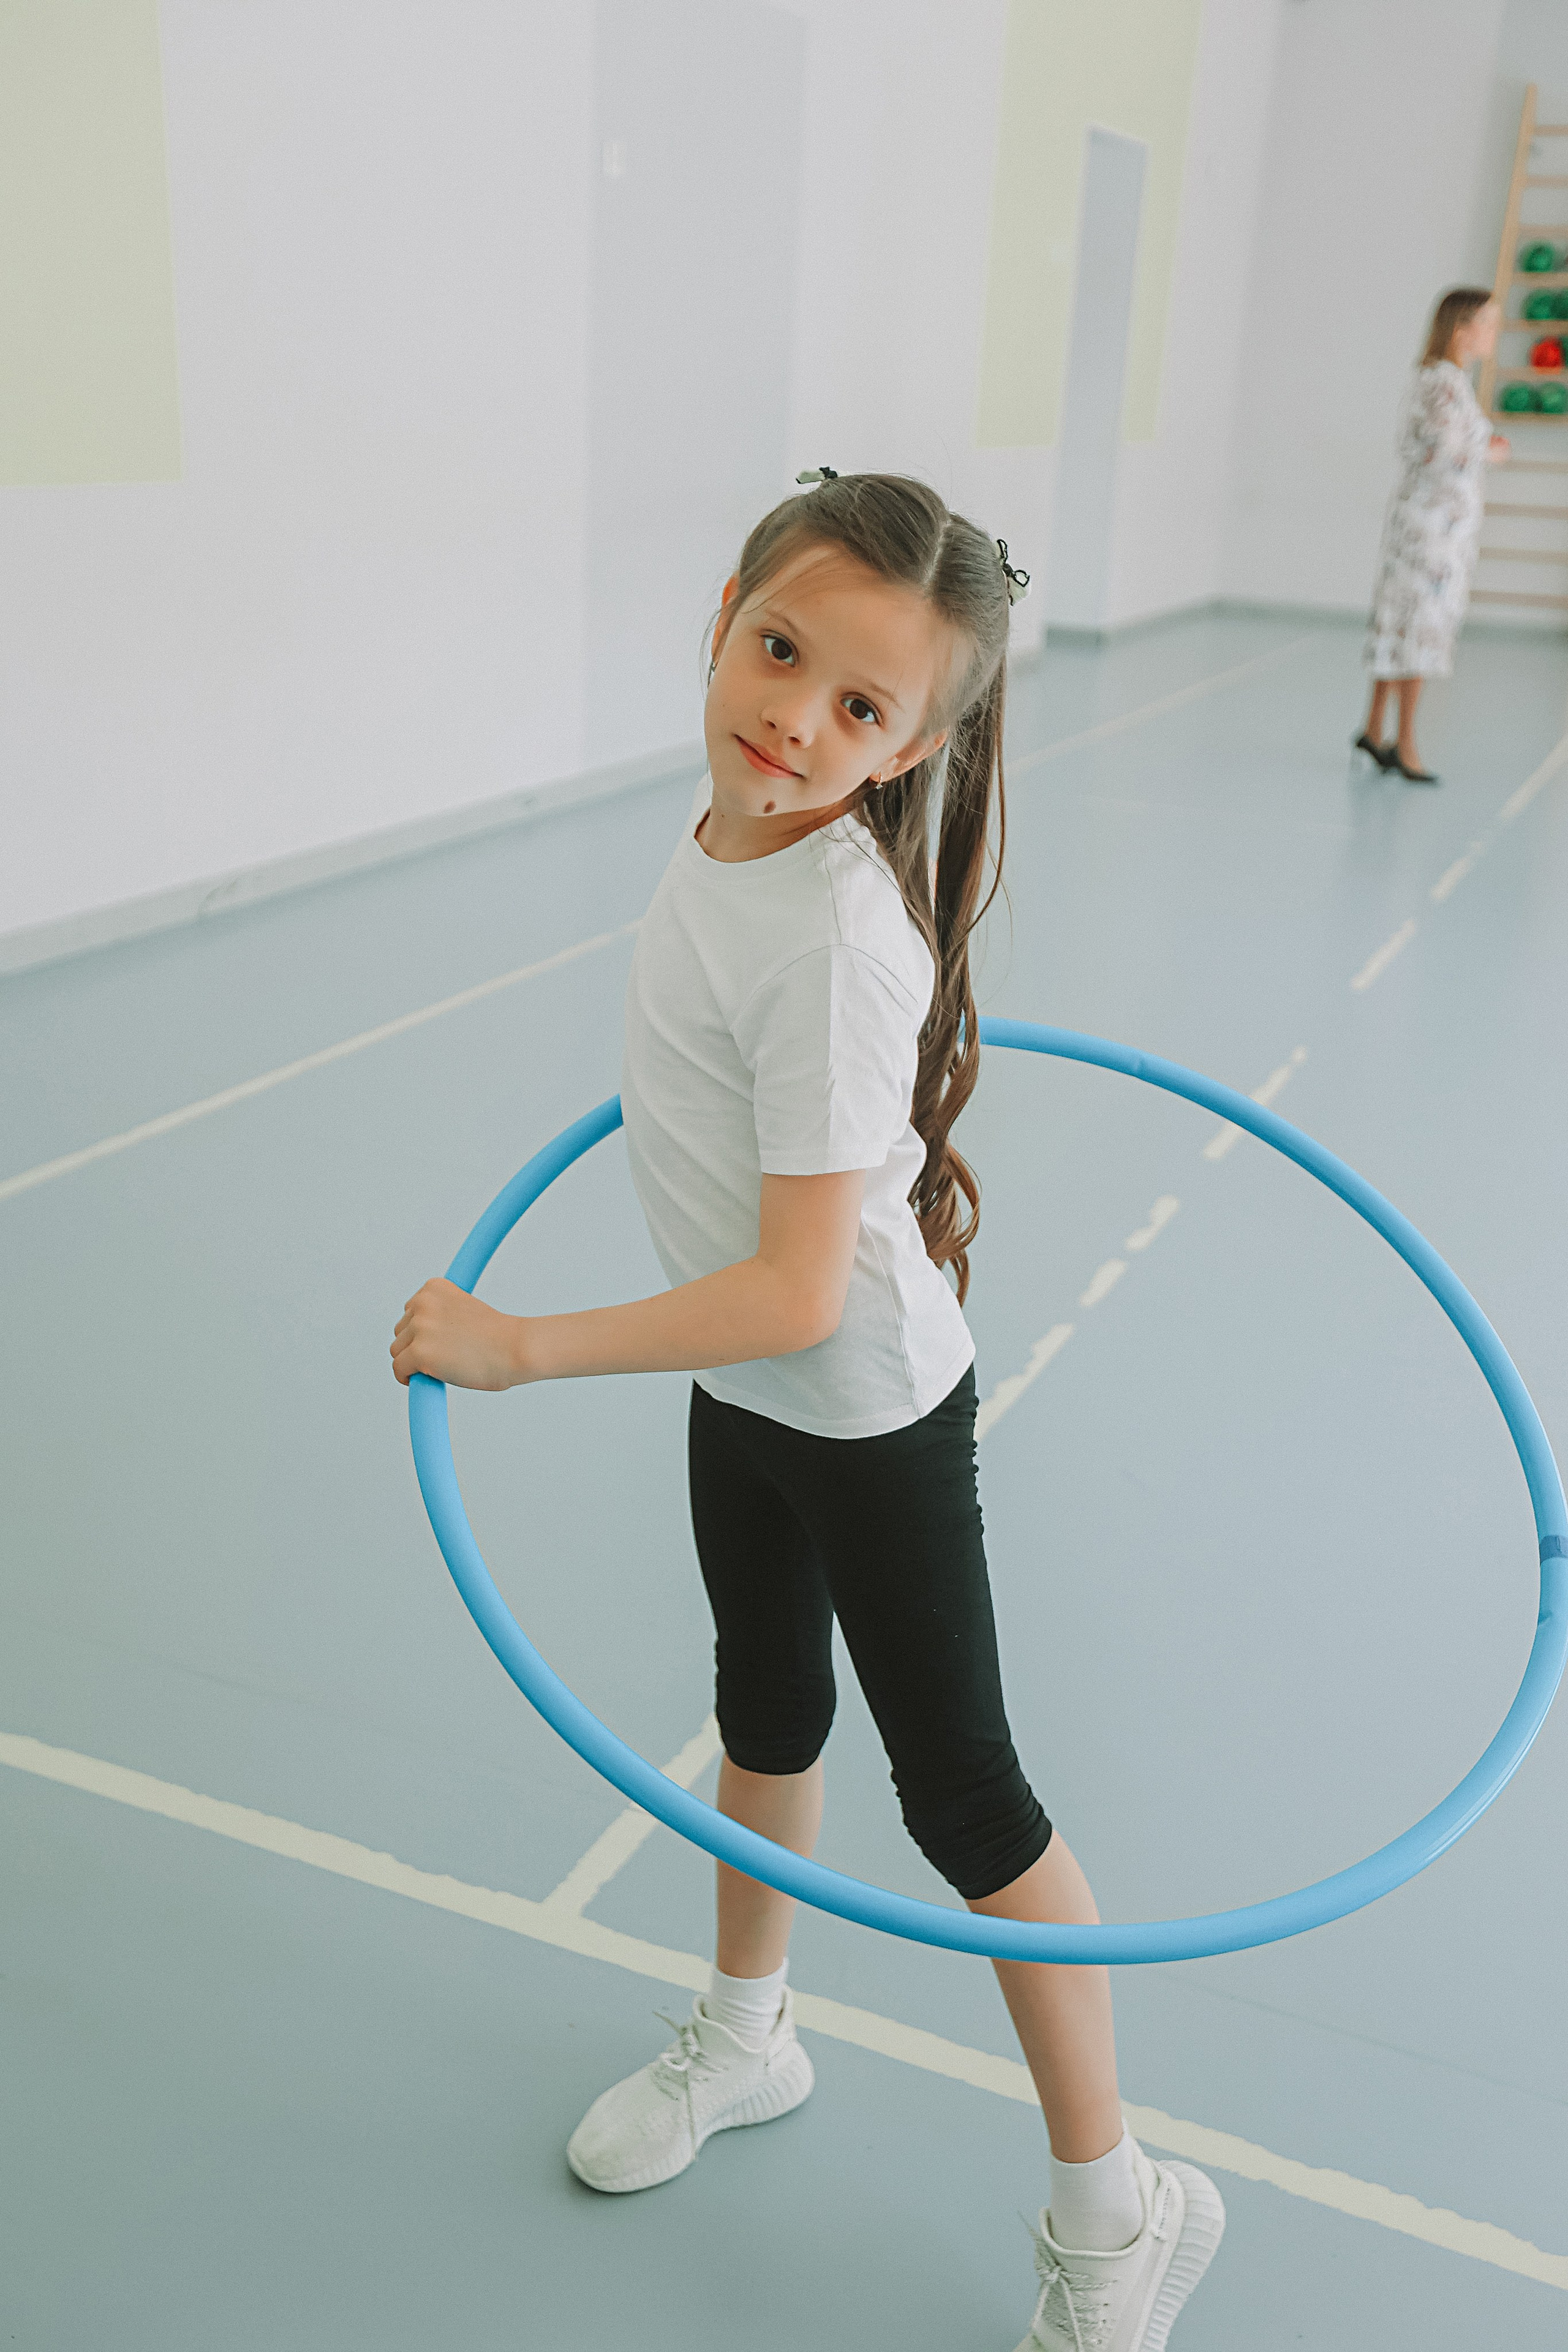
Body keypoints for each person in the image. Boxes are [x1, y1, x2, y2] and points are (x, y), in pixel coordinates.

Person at [391, 472, 1224, 2350]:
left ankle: (1119, 2206)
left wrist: (519, 1345)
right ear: (723, 611)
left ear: (916, 741)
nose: (796, 721)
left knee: (972, 1807)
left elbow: (795, 1285)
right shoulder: (724, 835)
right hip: (747, 1388)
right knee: (760, 1711)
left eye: (861, 709)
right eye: (781, 653)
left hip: (857, 1405)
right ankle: (748, 2031)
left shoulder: (843, 937)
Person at [1355, 287, 1510, 782]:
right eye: (1487, 324)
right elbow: (1443, 450)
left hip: (1432, 528)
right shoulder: (1443, 383)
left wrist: (1484, 444)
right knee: (1419, 628)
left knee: (1400, 625)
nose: (1494, 334)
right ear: (1461, 331)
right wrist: (1489, 452)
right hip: (1430, 533)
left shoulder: (1444, 382)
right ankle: (1406, 742)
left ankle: (1375, 727)